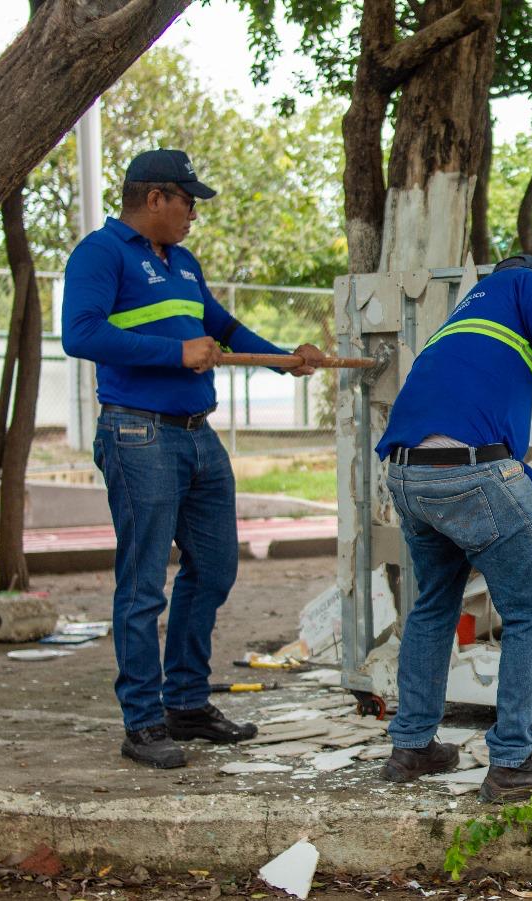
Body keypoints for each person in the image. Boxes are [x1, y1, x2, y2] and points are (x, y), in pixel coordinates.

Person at [61, 149, 325, 769]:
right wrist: (173, 354)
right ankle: (144, 722)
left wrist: (283, 356)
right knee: (144, 582)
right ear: (155, 198)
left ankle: (185, 703)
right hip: (137, 433)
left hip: (197, 434)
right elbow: (81, 333)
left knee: (214, 568)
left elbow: (225, 327)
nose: (193, 215)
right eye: (188, 201)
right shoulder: (101, 253)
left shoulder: (181, 262)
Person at [375, 255, 532, 802]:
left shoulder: (458, 332)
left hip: (409, 477)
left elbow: (491, 461)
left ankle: (411, 745)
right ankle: (513, 761)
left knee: (435, 605)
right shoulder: (523, 283)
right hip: (470, 473)